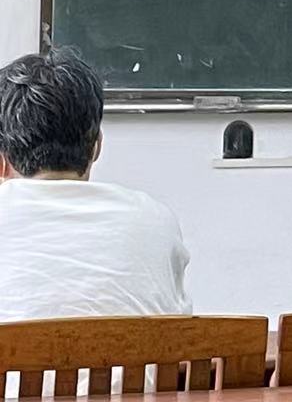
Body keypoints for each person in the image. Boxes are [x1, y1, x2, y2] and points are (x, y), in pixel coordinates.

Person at [0, 48, 191, 321]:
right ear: (96, 146)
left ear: (2, 160)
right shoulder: (154, 219)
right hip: (130, 351)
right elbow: (179, 324)